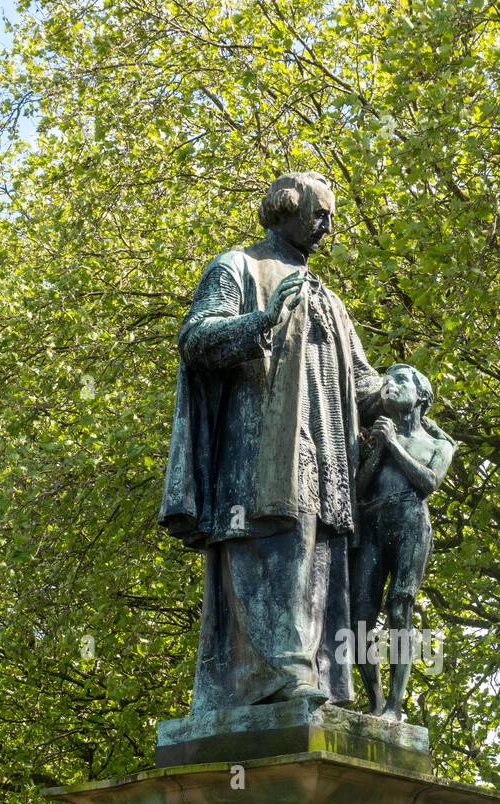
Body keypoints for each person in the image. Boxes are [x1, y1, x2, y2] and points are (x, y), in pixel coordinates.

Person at [160, 172, 382, 711]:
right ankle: (278, 675)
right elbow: (195, 338)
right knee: (272, 549)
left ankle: (316, 676)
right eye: (318, 213)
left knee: (319, 558)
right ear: (285, 209)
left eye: (331, 217)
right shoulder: (239, 265)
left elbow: (363, 379)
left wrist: (403, 397)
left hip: (328, 456)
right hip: (257, 453)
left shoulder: (329, 299)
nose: (327, 226)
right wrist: (264, 319)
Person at [350, 364, 454, 720]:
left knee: (399, 611)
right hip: (372, 522)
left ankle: (396, 707)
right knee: (359, 618)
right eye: (386, 380)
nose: (388, 385)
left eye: (399, 380)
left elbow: (427, 483)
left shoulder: (438, 444)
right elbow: (359, 489)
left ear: (421, 395)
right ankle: (376, 701)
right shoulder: (374, 437)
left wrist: (392, 444)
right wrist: (379, 448)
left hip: (410, 521)